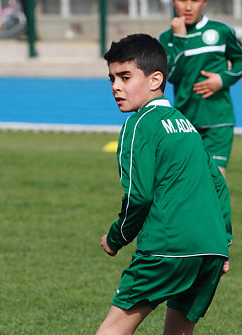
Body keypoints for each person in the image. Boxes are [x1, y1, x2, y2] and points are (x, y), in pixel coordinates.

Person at [96, 33, 232, 335]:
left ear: (155, 79)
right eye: (112, 78)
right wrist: (224, 242)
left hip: (167, 247)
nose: (116, 86)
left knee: (113, 329)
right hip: (210, 249)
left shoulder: (139, 124)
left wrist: (116, 237)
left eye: (125, 76)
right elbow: (218, 186)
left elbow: (139, 196)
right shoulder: (186, 124)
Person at [159, 0, 242, 177]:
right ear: (174, 2)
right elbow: (170, 76)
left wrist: (222, 79)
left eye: (195, 0)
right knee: (186, 182)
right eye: (182, 0)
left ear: (204, 2)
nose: (188, 7)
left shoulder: (221, 31)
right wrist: (180, 39)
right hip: (183, 122)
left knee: (215, 180)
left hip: (217, 120)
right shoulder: (167, 38)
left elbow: (239, 60)